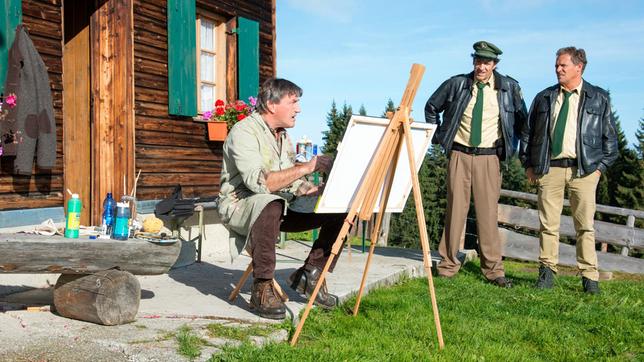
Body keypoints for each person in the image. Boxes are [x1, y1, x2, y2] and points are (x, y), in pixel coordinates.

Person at [218, 78, 346, 319]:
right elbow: (260, 183)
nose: (298, 108)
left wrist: (315, 191)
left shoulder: (282, 136)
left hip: (278, 206)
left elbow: (292, 181)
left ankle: (311, 275)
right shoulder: (243, 131)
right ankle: (262, 287)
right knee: (269, 202)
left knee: (339, 209)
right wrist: (307, 167)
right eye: (293, 102)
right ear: (271, 104)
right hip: (241, 206)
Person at [425, 41, 527, 287]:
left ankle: (494, 270)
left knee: (487, 215)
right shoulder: (457, 84)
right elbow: (431, 106)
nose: (482, 66)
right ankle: (448, 265)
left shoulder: (509, 88)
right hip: (459, 155)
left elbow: (523, 124)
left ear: (495, 64)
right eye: (478, 61)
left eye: (487, 62)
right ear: (473, 61)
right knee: (455, 212)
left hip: (490, 158)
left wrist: (521, 155)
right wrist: (439, 135)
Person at [519, 47, 618, 294]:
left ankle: (589, 278)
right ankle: (546, 274)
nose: (558, 69)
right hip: (549, 169)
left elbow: (611, 143)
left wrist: (598, 171)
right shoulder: (543, 97)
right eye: (556, 65)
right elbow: (528, 134)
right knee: (547, 225)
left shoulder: (599, 98)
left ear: (579, 67)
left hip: (584, 172)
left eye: (563, 65)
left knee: (585, 226)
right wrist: (529, 164)